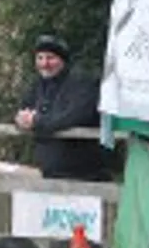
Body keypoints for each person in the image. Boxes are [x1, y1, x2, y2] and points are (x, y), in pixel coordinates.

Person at [15, 35, 108, 181]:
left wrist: (38, 122)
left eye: (50, 58)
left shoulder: (81, 83)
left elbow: (74, 117)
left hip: (83, 174)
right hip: (45, 171)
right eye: (40, 58)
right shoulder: (37, 85)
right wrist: (21, 120)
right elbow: (24, 109)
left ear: (63, 60)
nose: (44, 64)